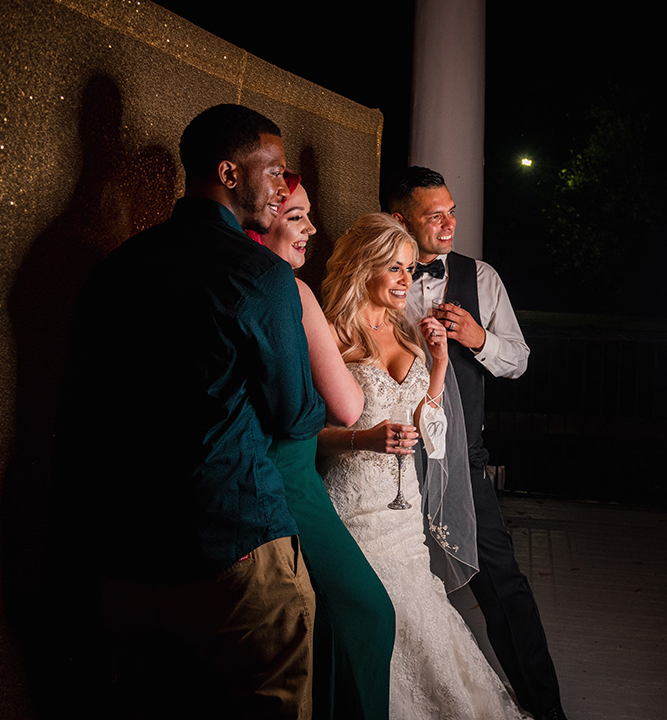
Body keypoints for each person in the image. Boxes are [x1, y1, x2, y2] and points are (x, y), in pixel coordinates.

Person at [56, 104, 324, 719]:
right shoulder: (259, 276)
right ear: (230, 173)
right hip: (233, 551)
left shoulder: (114, 269)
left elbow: (82, 412)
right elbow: (293, 414)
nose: (283, 188)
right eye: (275, 171)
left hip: (127, 557)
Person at [316, 213, 526, 720]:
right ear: (363, 268)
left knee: (423, 616)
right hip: (353, 511)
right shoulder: (328, 336)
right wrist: (362, 438)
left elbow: (430, 427)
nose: (407, 280)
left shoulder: (406, 328)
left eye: (411, 268)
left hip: (404, 512)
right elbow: (303, 436)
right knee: (377, 618)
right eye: (395, 268)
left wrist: (437, 365)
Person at [388, 166, 568, 720]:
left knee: (504, 588)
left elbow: (518, 361)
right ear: (401, 220)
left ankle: (546, 711)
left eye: (452, 211)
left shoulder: (480, 276)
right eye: (433, 215)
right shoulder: (378, 276)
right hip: (388, 461)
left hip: (461, 461)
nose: (449, 224)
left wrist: (478, 338)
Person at [250, 174, 395, 720]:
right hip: (291, 478)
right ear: (260, 219)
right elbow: (349, 406)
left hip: (243, 474)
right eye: (297, 216)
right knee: (369, 614)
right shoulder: (293, 290)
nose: (312, 228)